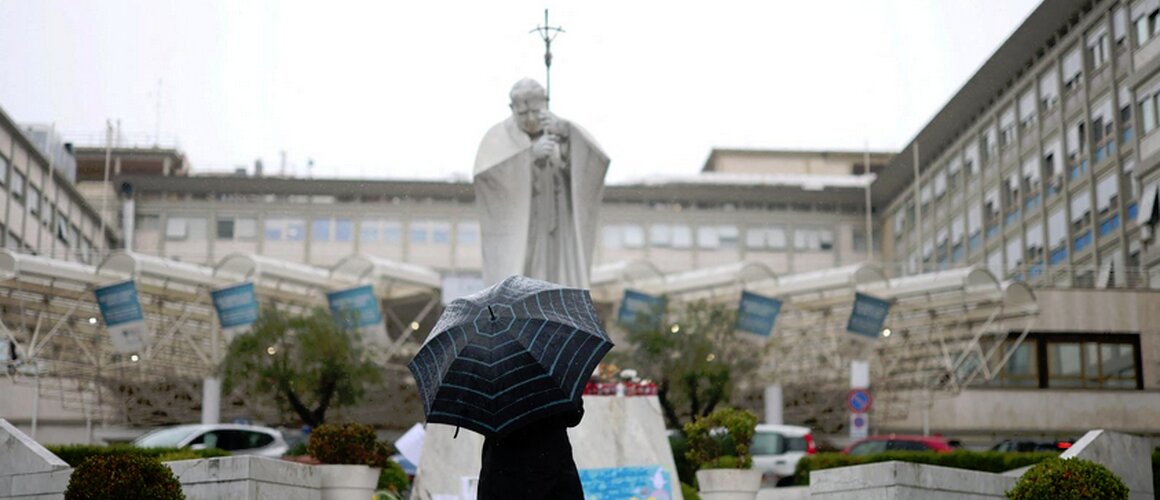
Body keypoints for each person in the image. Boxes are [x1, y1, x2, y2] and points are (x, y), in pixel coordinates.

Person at [473, 78, 609, 288]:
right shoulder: (497, 138)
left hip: (556, 230)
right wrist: (528, 158)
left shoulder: (558, 132)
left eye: (535, 111)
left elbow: (592, 166)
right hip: (523, 230)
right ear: (512, 109)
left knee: (555, 279)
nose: (529, 119)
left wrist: (566, 136)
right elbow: (488, 180)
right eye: (522, 113)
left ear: (546, 104)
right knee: (523, 279)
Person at [476, 403, 585, 500]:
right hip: (551, 464)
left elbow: (479, 418)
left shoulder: (492, 385)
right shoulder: (551, 382)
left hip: (504, 470)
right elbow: (573, 417)